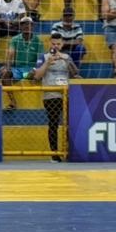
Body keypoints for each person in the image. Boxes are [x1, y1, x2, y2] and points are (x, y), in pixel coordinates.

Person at [35, 32, 79, 162]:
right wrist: (47, 63)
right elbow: (37, 76)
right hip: (51, 95)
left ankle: (70, 151)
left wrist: (66, 61)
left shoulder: (67, 57)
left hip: (67, 94)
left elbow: (75, 73)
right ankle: (54, 153)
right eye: (53, 44)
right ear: (50, 43)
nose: (56, 46)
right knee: (53, 123)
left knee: (71, 123)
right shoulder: (43, 57)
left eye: (58, 44)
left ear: (62, 44)